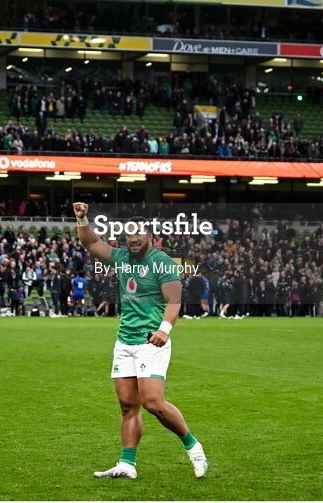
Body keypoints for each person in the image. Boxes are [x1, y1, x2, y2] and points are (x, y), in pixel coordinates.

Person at [73, 203, 208, 480]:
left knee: (153, 403)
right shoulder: (121, 257)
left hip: (151, 341)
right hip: (125, 340)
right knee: (127, 406)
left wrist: (164, 330)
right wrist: (82, 218)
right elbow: (91, 242)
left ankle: (193, 447)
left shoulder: (163, 262)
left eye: (138, 234)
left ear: (150, 236)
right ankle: (127, 464)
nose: (133, 239)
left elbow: (174, 301)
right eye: (128, 234)